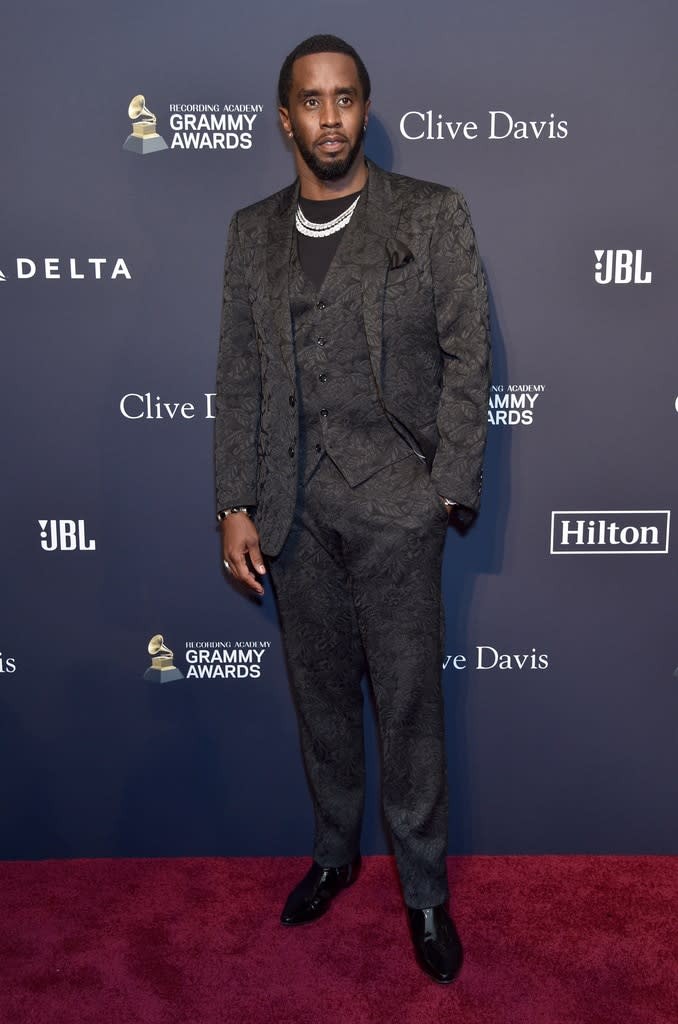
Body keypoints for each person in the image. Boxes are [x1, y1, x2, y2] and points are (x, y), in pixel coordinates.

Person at [214, 33, 491, 984]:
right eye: (310, 100)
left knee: (409, 710)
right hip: (292, 513)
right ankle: (335, 855)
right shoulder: (252, 231)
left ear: (364, 111)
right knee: (323, 705)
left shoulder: (431, 214)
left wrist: (443, 489)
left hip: (396, 509)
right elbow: (240, 376)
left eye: (345, 99)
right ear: (284, 117)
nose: (329, 117)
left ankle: (423, 895)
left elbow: (469, 352)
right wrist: (235, 501)